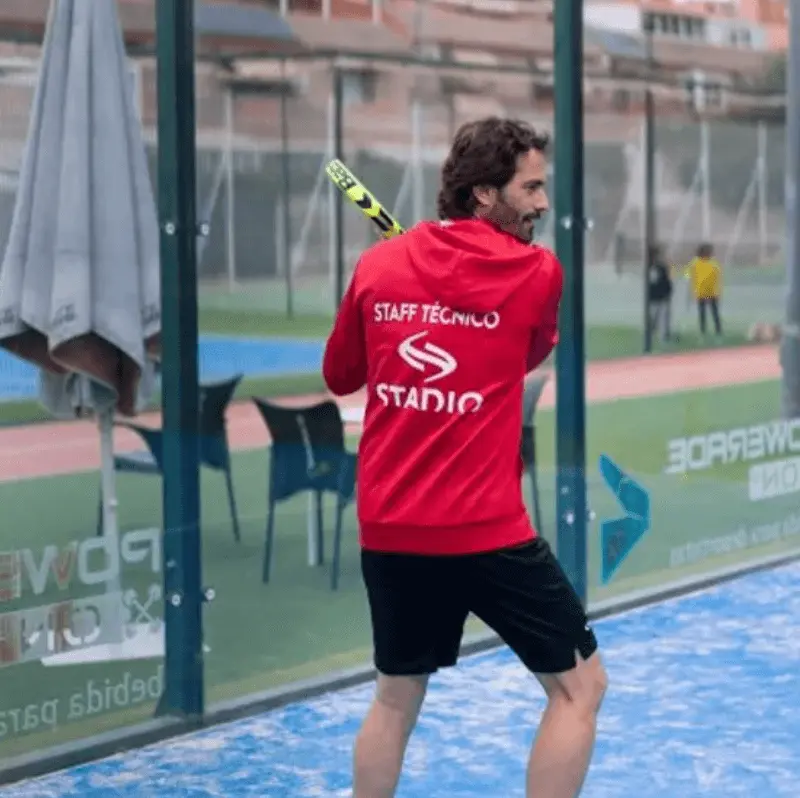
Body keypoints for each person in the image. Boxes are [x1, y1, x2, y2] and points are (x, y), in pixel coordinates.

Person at [322, 117, 607, 798]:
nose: (543, 203)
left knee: (394, 699)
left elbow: (341, 375)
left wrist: (405, 306)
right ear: (483, 193)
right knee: (580, 688)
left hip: (391, 528)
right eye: (530, 188)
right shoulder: (537, 272)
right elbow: (524, 356)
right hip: (486, 533)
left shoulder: (380, 265)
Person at [685, 242, 723, 337]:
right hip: (701, 292)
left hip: (712, 292)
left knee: (714, 312)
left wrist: (718, 291)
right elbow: (689, 275)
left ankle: (718, 330)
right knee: (702, 313)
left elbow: (717, 277)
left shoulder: (713, 263)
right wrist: (692, 288)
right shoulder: (695, 263)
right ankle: (703, 330)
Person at [647, 243, 673, 342]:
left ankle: (663, 337)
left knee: (663, 320)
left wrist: (668, 293)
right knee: (652, 320)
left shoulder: (661, 267)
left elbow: (667, 282)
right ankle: (651, 337)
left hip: (662, 298)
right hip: (652, 298)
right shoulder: (647, 268)